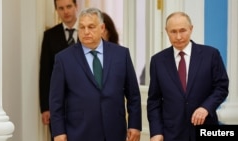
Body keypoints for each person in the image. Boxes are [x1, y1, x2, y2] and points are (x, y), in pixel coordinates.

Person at [49, 7, 142, 141]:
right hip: (79, 132)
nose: (86, 32)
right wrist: (58, 132)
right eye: (82, 27)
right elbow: (56, 100)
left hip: (115, 131)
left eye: (91, 27)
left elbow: (133, 94)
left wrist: (134, 125)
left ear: (102, 28)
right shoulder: (63, 59)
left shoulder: (121, 55)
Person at [147, 11, 229, 141]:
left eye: (182, 30)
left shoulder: (211, 55)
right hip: (172, 133)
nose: (178, 36)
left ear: (191, 29)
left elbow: (221, 87)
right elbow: (154, 101)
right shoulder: (158, 61)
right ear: (166, 31)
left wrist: (206, 107)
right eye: (173, 31)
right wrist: (156, 132)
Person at [39, 0, 78, 140]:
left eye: (69, 7)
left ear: (76, 6)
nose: (66, 11)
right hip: (58, 105)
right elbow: (45, 73)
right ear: (56, 10)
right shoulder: (50, 36)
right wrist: (45, 107)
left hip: (83, 103)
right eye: (61, 8)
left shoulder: (88, 33)